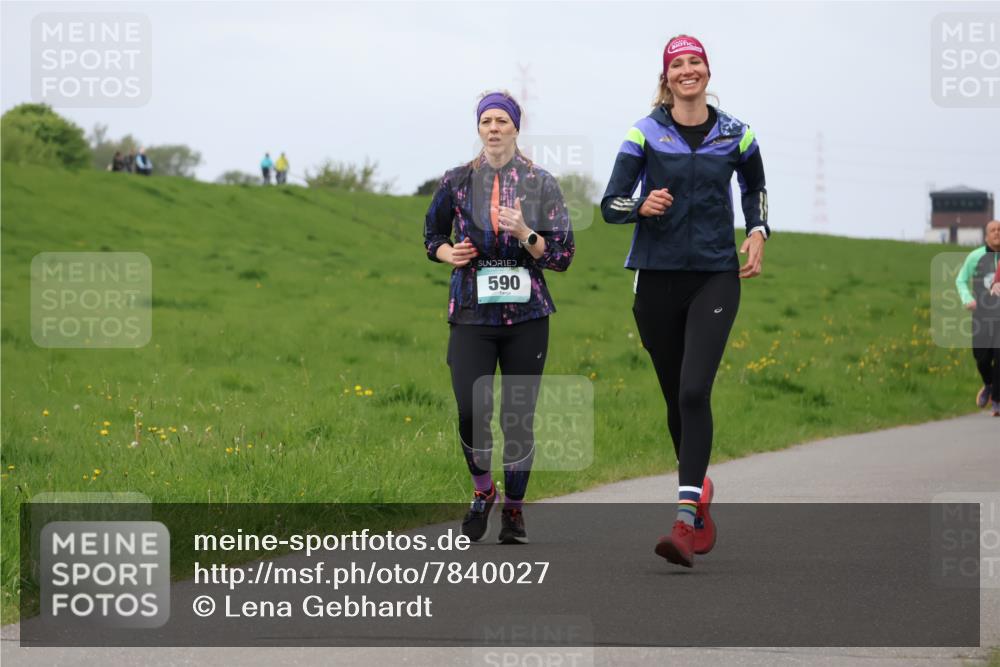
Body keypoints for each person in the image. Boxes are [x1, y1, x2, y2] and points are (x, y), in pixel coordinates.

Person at [601, 35, 769, 567]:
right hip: (656, 278)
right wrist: (640, 204)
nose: (687, 70)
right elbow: (610, 203)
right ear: (667, 76)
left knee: (695, 390)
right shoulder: (645, 132)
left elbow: (755, 187)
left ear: (708, 72)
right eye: (678, 64)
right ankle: (698, 494)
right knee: (676, 397)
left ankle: (683, 518)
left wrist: (758, 229)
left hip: (715, 275)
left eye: (695, 62)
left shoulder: (736, 133)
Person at [424, 90, 575, 544]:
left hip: (527, 316)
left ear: (515, 127)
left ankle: (514, 510)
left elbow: (563, 255)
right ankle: (483, 490)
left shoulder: (541, 182)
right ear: (478, 128)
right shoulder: (455, 181)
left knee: (517, 417)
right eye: (486, 121)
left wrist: (526, 233)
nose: (493, 128)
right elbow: (432, 236)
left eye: (502, 121)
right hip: (471, 312)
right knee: (471, 410)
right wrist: (450, 253)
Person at [955, 219, 1000, 417]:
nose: (997, 232)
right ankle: (988, 385)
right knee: (982, 358)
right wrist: (967, 299)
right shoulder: (975, 256)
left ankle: (997, 401)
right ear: (986, 236)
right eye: (993, 230)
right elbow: (961, 280)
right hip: (982, 314)